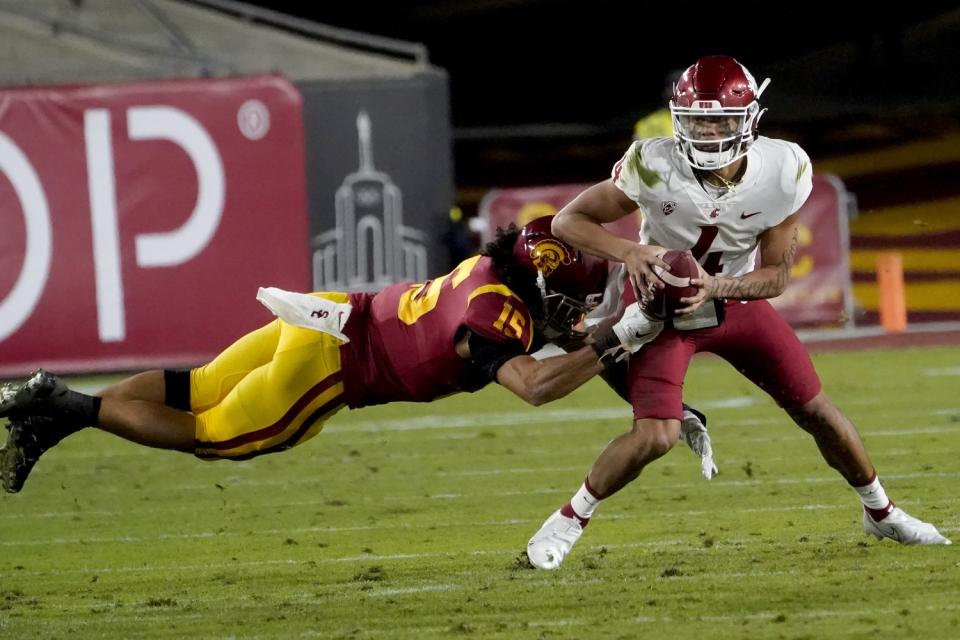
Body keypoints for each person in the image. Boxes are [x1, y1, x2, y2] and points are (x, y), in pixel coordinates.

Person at [525, 55, 951, 569]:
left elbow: (774, 276)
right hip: (662, 310)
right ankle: (566, 523)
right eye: (696, 118)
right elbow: (570, 222)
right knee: (655, 435)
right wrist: (632, 252)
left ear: (749, 119)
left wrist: (717, 286)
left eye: (720, 119)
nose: (707, 130)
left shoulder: (783, 168)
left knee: (816, 409)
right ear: (678, 118)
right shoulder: (652, 162)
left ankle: (881, 512)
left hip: (732, 301)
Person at [0, 216, 673, 494]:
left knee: (200, 385)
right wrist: (617, 337)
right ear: (543, 287)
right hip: (336, 365)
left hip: (325, 314)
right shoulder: (499, 314)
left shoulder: (487, 270)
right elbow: (532, 386)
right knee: (214, 435)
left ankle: (55, 411)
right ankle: (69, 407)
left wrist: (612, 343)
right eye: (569, 299)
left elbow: (554, 342)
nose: (575, 312)